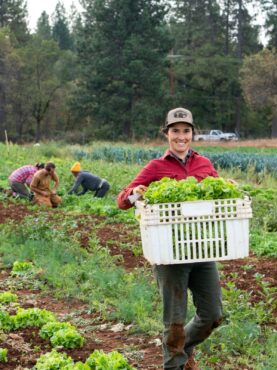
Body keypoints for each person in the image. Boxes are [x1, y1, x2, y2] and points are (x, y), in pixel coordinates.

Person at [117, 107, 223, 370]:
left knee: (213, 314)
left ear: (192, 134)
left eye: (186, 131)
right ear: (166, 134)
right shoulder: (156, 167)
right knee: (174, 321)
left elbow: (221, 196)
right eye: (175, 131)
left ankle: (183, 346)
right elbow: (122, 201)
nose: (181, 136)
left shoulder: (204, 164)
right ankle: (174, 364)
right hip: (169, 250)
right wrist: (136, 193)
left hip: (201, 248)